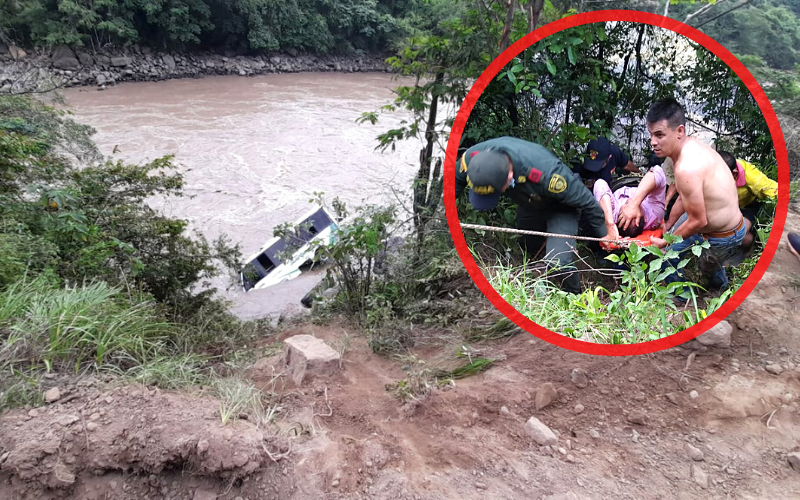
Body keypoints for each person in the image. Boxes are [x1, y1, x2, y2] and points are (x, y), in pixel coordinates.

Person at [620, 98, 745, 293]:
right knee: (681, 244)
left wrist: (666, 241)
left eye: (660, 135)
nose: (653, 142)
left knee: (672, 257)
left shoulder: (686, 168)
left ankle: (690, 296)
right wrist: (669, 225)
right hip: (726, 223)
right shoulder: (692, 147)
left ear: (679, 131)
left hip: (724, 235)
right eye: (651, 134)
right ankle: (713, 280)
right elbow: (684, 197)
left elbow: (698, 220)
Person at [454, 137, 610, 294]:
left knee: (559, 261)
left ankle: (574, 295)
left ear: (509, 177)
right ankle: (540, 269)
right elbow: (451, 185)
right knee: (528, 244)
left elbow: (588, 203)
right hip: (529, 202)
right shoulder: (473, 160)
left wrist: (605, 235)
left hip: (561, 206)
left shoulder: (549, 175)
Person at [593, 164, 667, 244]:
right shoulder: (654, 214)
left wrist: (609, 223)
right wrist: (634, 203)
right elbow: (658, 171)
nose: (630, 210)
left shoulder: (614, 215)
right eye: (634, 215)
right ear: (645, 218)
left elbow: (600, 184)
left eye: (625, 214)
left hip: (617, 184)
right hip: (643, 182)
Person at [717, 151, 777, 249]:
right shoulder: (708, 170)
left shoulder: (752, 177)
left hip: (745, 208)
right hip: (722, 207)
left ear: (734, 174)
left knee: (741, 235)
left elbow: (774, 191)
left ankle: (746, 252)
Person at [573, 136, 639, 190]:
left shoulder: (614, 152)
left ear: (609, 157)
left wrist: (641, 175)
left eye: (598, 163)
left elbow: (627, 165)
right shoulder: (580, 166)